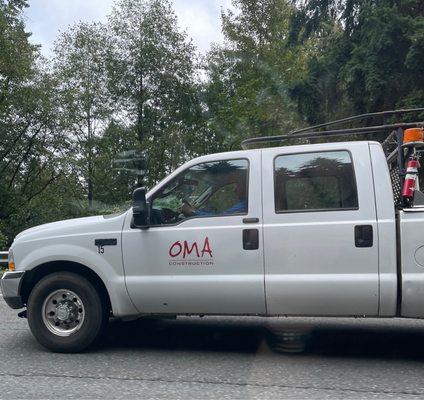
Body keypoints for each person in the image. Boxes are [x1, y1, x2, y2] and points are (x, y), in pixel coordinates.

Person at [181, 178, 247, 217]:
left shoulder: (244, 205)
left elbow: (220, 218)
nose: (235, 190)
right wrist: (195, 210)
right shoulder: (244, 204)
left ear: (246, 188)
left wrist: (192, 211)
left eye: (238, 186)